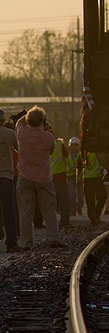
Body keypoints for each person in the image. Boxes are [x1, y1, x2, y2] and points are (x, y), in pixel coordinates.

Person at [16, 106, 67, 250]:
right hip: (44, 178)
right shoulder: (49, 137)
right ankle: (53, 238)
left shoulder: (22, 135)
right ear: (43, 121)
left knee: (26, 212)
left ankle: (26, 243)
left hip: (25, 177)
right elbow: (50, 151)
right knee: (49, 210)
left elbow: (18, 124)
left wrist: (25, 116)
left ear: (28, 121)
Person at [0, 109, 21, 253]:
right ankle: (12, 243)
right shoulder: (10, 134)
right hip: (6, 176)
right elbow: (19, 149)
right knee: (9, 210)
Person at [78, 152, 107, 226]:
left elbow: (80, 167)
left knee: (89, 200)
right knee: (102, 197)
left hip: (87, 179)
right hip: (97, 178)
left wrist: (78, 178)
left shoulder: (82, 153)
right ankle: (96, 214)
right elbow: (103, 165)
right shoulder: (98, 153)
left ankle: (92, 218)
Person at [50, 134, 70, 227]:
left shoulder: (41, 143)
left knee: (49, 202)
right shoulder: (58, 144)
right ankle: (64, 221)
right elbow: (66, 154)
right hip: (60, 176)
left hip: (47, 177)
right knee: (64, 200)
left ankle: (50, 223)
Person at [66, 137, 83, 216]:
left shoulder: (80, 154)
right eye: (72, 145)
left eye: (75, 145)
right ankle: (73, 210)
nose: (74, 147)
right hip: (70, 176)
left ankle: (79, 207)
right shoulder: (66, 154)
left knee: (80, 195)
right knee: (71, 194)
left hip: (79, 176)